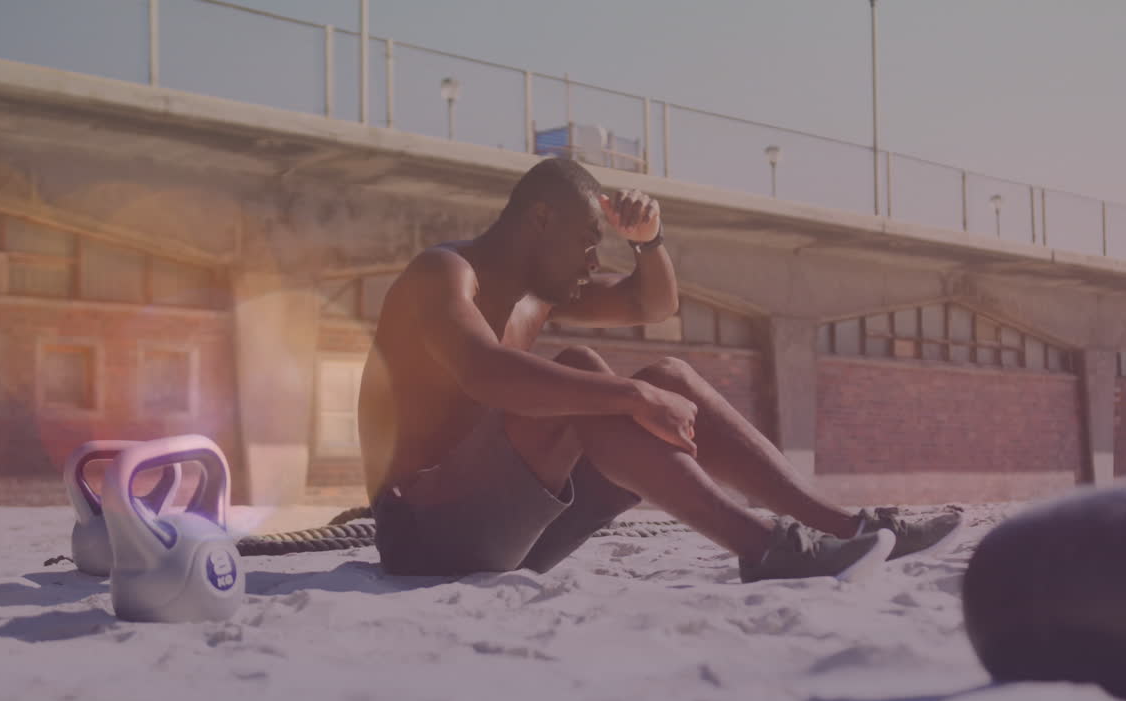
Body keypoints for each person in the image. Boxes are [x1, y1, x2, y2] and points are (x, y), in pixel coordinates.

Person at [358, 158, 961, 582]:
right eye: (588, 241)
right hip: (425, 535)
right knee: (587, 373)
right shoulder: (443, 273)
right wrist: (630, 397)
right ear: (540, 219)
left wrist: (648, 241)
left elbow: (651, 304)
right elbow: (485, 372)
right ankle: (764, 548)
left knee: (668, 376)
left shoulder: (538, 294)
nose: (593, 262)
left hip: (515, 530)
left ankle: (849, 528)